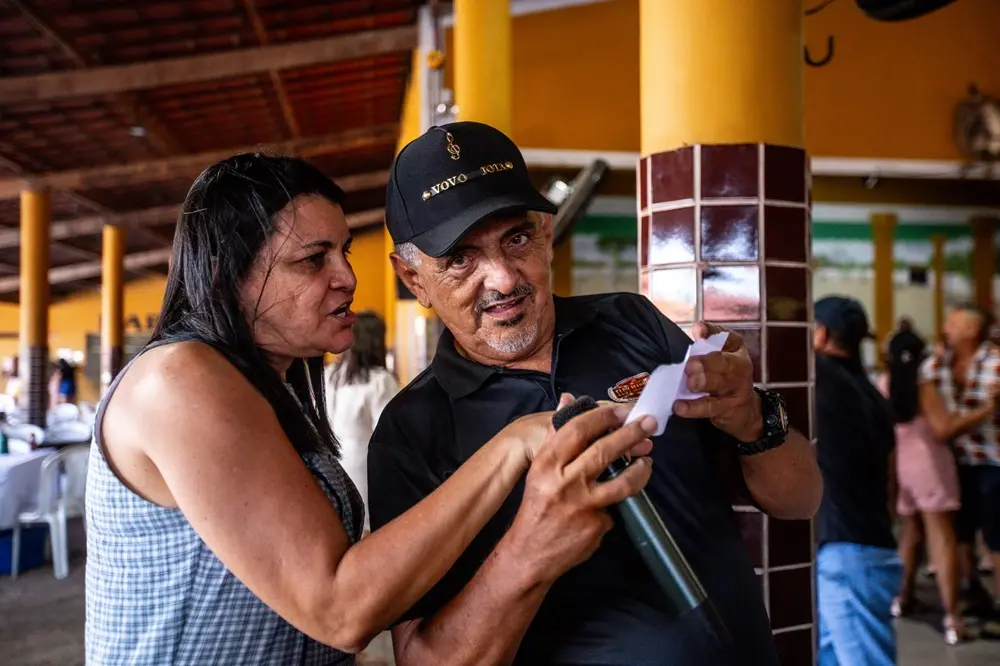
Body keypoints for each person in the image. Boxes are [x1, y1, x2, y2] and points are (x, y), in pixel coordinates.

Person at [85, 153, 655, 665]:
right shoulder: (179, 380)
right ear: (230, 276)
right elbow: (339, 610)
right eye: (314, 260)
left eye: (344, 252)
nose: (348, 278)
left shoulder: (264, 390)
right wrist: (513, 444)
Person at [368, 121, 823, 665]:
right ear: (413, 278)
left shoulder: (632, 322)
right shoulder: (412, 430)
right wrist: (530, 549)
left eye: (517, 238)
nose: (504, 279)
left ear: (545, 230)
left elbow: (803, 500)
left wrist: (751, 417)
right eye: (460, 258)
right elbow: (423, 660)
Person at [813, 296, 901, 666]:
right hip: (869, 542)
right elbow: (891, 480)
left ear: (821, 334)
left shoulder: (821, 378)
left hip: (848, 553)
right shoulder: (871, 395)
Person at [880, 322, 975, 644]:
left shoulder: (883, 383)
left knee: (910, 534)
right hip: (930, 467)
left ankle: (901, 598)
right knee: (942, 538)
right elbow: (943, 429)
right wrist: (987, 409)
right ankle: (953, 618)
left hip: (900, 466)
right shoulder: (924, 385)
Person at [918, 304, 1000, 628]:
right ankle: (974, 591)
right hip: (956, 461)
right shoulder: (939, 364)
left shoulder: (996, 363)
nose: (947, 327)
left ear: (971, 329)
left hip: (994, 461)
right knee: (962, 533)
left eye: (954, 322)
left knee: (996, 537)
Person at [325, 310, 399, 534]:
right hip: (364, 466)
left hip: (331, 463)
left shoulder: (328, 374)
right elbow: (390, 433)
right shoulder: (379, 381)